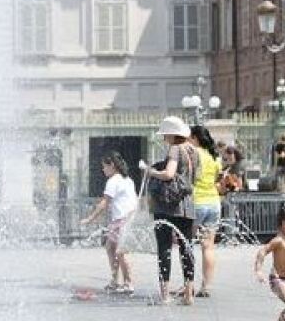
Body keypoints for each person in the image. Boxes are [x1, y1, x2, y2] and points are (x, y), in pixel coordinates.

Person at [141, 116, 199, 305]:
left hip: (168, 206)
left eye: (165, 133)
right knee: (186, 249)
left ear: (173, 134)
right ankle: (189, 293)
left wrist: (149, 171)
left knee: (164, 248)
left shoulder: (175, 149)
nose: (164, 137)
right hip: (188, 205)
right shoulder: (193, 151)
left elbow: (169, 174)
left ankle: (165, 295)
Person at [80, 151, 137, 295]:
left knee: (121, 251)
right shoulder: (127, 179)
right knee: (110, 247)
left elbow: (104, 202)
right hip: (125, 218)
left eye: (104, 166)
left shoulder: (113, 181)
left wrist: (90, 219)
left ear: (112, 165)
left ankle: (128, 283)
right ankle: (115, 281)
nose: (103, 169)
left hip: (121, 220)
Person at [189, 125, 222, 298]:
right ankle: (206, 286)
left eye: (189, 137)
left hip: (197, 202)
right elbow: (218, 178)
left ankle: (188, 285)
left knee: (186, 244)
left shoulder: (194, 154)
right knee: (208, 246)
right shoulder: (214, 156)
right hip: (214, 202)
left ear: (195, 138)